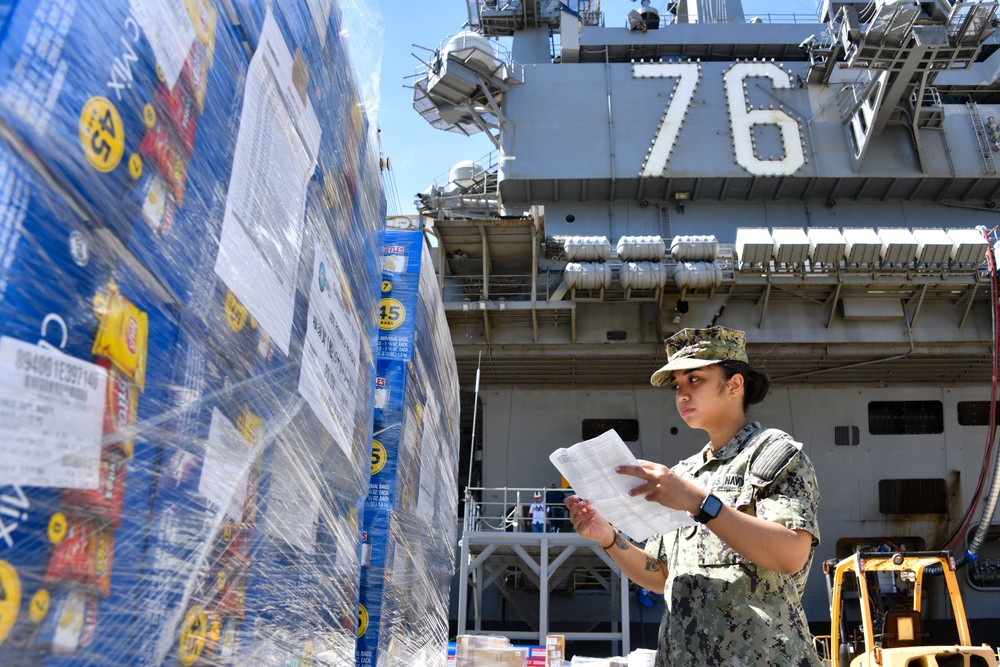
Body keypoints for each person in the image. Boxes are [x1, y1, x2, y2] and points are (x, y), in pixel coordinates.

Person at [566, 326, 822, 667]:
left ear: (734, 384)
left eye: (695, 380)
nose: (682, 395)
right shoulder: (684, 475)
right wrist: (609, 538)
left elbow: (791, 554)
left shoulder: (773, 455)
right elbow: (659, 576)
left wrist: (699, 504)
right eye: (677, 386)